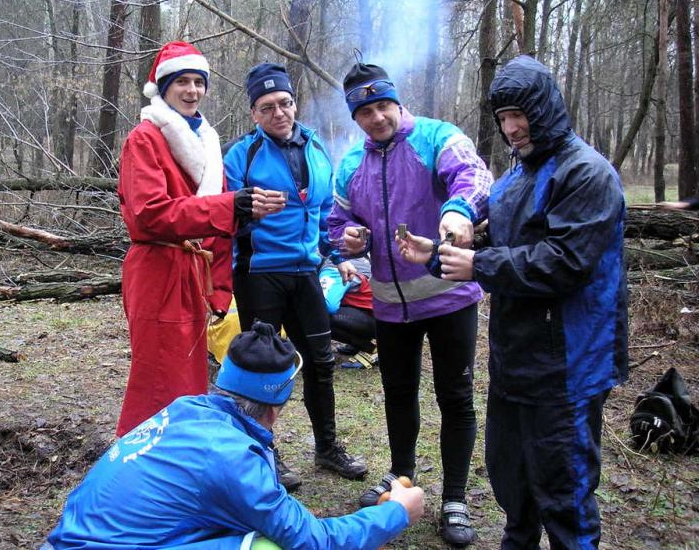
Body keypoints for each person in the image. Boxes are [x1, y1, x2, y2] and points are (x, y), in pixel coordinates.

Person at [398, 55, 629, 549]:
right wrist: (436, 255)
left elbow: (565, 262)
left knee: (563, 491)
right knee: (512, 482)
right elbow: (496, 252)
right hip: (516, 358)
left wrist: (477, 266)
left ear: (545, 109)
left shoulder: (586, 174)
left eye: (519, 114)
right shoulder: (515, 178)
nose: (512, 127)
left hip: (570, 361)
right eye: (503, 118)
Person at [42, 321, 425, 550]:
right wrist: (394, 513)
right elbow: (313, 541)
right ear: (275, 408)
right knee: (268, 546)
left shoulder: (185, 410)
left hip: (67, 540)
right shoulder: (232, 458)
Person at [328, 62, 492, 547]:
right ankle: (401, 479)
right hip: (390, 305)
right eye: (365, 111)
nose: (377, 117)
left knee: (455, 397)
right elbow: (337, 222)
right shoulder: (350, 163)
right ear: (355, 117)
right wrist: (349, 239)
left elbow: (474, 176)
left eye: (383, 106)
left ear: (398, 104)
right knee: (398, 395)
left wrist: (459, 211)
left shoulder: (437, 137)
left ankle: (455, 500)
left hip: (448, 298)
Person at [115, 41, 278, 437]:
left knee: (188, 375)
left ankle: (179, 454)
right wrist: (229, 205)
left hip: (193, 273)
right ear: (163, 87)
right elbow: (148, 216)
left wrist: (219, 290)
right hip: (158, 271)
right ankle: (140, 460)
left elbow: (218, 230)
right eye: (182, 82)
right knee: (156, 377)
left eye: (198, 82)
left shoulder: (206, 140)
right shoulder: (145, 139)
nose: (192, 90)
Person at [223, 63, 367, 491]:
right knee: (261, 369)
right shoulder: (240, 154)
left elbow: (322, 213)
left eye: (285, 103)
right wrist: (246, 211)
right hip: (260, 274)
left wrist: (336, 254)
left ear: (294, 104)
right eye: (267, 107)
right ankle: (264, 456)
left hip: (306, 271)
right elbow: (224, 217)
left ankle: (327, 448)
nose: (279, 113)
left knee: (321, 363)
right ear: (254, 113)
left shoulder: (316, 147)